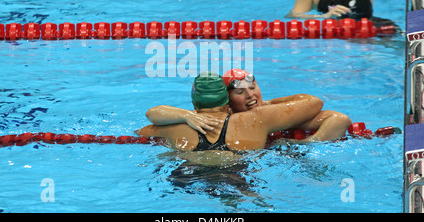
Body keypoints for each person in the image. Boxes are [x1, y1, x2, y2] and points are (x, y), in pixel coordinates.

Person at [137, 72, 351, 151]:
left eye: (252, 87)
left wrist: (305, 144)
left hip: (185, 174)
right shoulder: (259, 119)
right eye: (240, 92)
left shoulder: (175, 126)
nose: (250, 95)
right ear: (226, 101)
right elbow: (314, 102)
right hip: (238, 173)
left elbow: (143, 129)